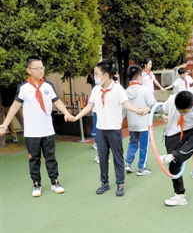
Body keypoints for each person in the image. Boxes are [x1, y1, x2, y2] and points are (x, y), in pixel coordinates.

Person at [67, 60, 150, 197]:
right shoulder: (95, 90)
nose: (95, 77)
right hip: (101, 129)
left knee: (118, 157)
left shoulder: (117, 89)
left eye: (96, 74)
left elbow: (125, 104)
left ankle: (120, 183)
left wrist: (137, 110)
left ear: (105, 75)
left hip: (114, 129)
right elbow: (89, 106)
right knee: (102, 157)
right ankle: (104, 183)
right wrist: (76, 117)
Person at [0, 56, 73, 197]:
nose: (41, 71)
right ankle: (36, 185)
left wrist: (66, 113)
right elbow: (15, 107)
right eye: (37, 68)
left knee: (50, 157)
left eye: (42, 68)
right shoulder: (23, 88)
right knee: (34, 159)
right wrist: (4, 124)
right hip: (31, 132)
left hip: (47, 130)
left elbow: (57, 102)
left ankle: (55, 182)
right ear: (28, 70)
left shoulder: (48, 86)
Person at [124, 65, 157, 176]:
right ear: (138, 76)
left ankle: (128, 163)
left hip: (132, 123)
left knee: (133, 143)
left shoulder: (126, 91)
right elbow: (153, 104)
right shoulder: (144, 90)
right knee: (144, 146)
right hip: (143, 123)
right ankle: (141, 168)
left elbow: (123, 108)